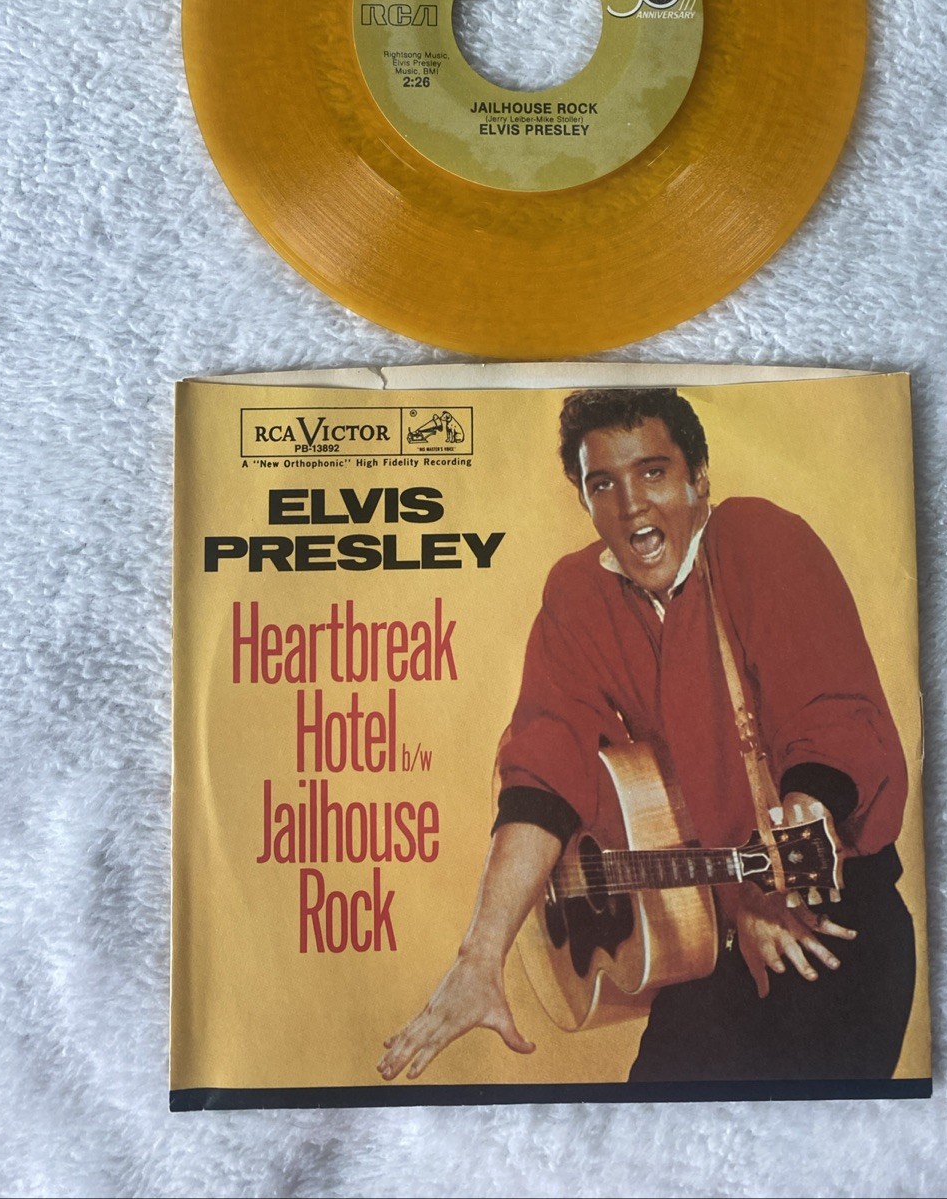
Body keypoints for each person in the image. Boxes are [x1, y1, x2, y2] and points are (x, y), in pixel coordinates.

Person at [379, 387, 915, 1084]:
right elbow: (545, 768)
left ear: (699, 478)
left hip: (824, 925)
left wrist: (783, 867)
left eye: (653, 472)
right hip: (710, 941)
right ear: (583, 498)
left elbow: (830, 718)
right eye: (603, 483)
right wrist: (479, 957)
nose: (631, 505)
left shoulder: (756, 539)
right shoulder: (578, 594)